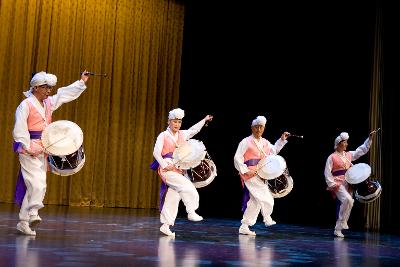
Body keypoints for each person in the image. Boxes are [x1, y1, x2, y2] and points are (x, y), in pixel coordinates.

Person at [13, 71, 90, 236]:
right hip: (29, 149)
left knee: (35, 186)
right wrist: (27, 146)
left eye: (49, 88)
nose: (49, 91)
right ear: (35, 88)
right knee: (37, 183)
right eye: (45, 88)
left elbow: (63, 94)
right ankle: (33, 213)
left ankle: (23, 222)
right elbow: (19, 128)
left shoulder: (48, 103)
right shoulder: (26, 105)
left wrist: (81, 82)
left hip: (44, 148)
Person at [151, 108, 213, 236]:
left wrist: (204, 120)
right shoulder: (163, 135)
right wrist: (164, 164)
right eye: (174, 121)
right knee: (187, 186)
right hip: (166, 168)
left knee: (173, 196)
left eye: (179, 122)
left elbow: (194, 130)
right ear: (169, 121)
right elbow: (156, 153)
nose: (177, 124)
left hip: (178, 169)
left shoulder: (182, 134)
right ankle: (191, 211)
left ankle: (166, 225)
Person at [234, 115, 290, 236]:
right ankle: (267, 217)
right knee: (266, 196)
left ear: (264, 128)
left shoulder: (265, 142)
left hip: (260, 174)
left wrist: (281, 140)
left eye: (261, 127)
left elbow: (274, 151)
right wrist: (244, 170)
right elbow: (237, 157)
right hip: (249, 174)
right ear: (252, 128)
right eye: (256, 127)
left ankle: (244, 226)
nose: (258, 129)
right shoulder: (246, 141)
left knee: (255, 202)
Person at [324, 130, 377, 238]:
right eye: (345, 142)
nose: (347, 144)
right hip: (337, 183)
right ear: (339, 143)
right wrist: (332, 184)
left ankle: (338, 228)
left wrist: (369, 139)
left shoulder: (348, 155)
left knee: (350, 202)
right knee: (347, 199)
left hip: (349, 183)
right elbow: (327, 172)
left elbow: (361, 150)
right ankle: (342, 222)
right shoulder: (332, 157)